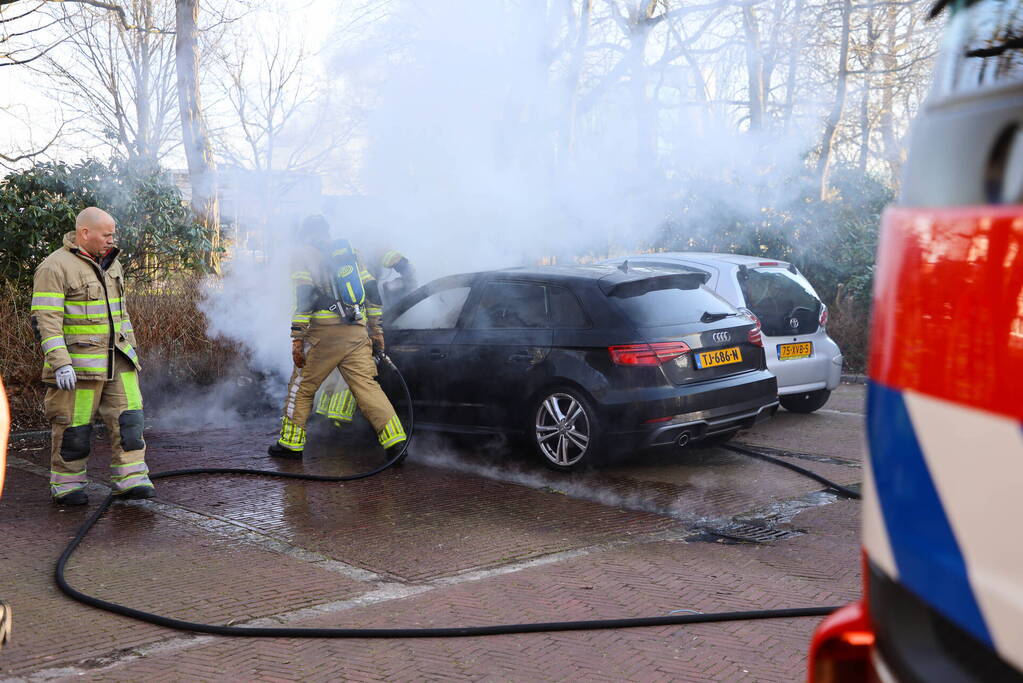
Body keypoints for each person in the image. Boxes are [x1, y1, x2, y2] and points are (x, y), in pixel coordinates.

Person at [31, 207, 154, 506]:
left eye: (113, 234)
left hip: (120, 362)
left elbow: (122, 314)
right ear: (84, 233)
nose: (112, 240)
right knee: (74, 428)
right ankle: (67, 485)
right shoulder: (55, 267)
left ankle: (131, 480)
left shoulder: (113, 263)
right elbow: (45, 320)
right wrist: (60, 363)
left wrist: (132, 348)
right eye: (106, 234)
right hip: (80, 367)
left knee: (130, 421)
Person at [268, 215, 408, 461]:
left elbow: (304, 296)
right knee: (367, 388)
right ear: (327, 231)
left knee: (302, 387)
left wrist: (297, 337)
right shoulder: (351, 253)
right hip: (356, 333)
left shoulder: (301, 255)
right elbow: (372, 292)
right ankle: (396, 443)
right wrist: (376, 330)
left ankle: (290, 444)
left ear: (305, 233)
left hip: (323, 336)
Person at [312, 247, 417, 426]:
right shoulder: (367, 264)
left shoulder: (339, 263)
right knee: (358, 370)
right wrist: (405, 270)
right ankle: (340, 415)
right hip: (359, 323)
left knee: (337, 369)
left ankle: (323, 410)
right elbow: (392, 266)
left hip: (339, 323)